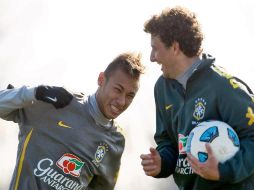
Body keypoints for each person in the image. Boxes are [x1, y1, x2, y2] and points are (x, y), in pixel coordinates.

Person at [140, 6, 254, 190]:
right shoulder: (162, 88)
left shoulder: (223, 86)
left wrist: (222, 171)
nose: (152, 58)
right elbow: (167, 141)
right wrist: (162, 162)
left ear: (175, 47)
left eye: (155, 49)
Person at [0, 52, 145, 190]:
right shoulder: (59, 102)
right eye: (118, 89)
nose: (122, 101)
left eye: (130, 96)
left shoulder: (116, 140)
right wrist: (35, 92)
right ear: (101, 79)